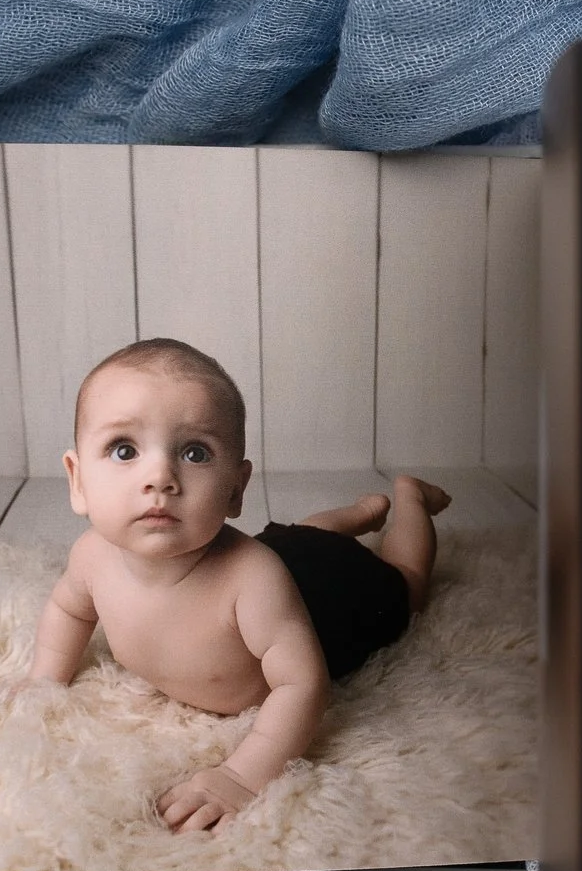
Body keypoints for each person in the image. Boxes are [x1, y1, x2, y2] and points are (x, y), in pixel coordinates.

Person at [24, 338, 451, 834]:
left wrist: (241, 776)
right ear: (77, 480)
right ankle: (354, 515)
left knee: (406, 587)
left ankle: (409, 499)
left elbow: (302, 685)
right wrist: (43, 678)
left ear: (236, 488)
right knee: (295, 538)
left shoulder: (252, 579)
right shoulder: (91, 556)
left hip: (334, 595)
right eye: (125, 450)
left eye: (194, 452)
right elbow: (69, 610)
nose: (160, 477)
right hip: (286, 549)